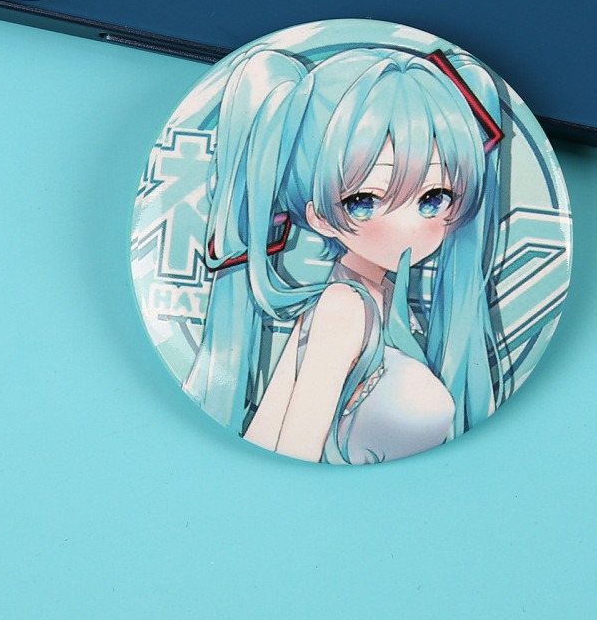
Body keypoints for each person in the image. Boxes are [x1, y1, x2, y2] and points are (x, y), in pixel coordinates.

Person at [183, 44, 506, 463]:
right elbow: (292, 450)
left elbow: (268, 433)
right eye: (364, 201)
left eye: (433, 198)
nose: (407, 225)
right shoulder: (344, 307)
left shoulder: (376, 300)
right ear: (318, 217)